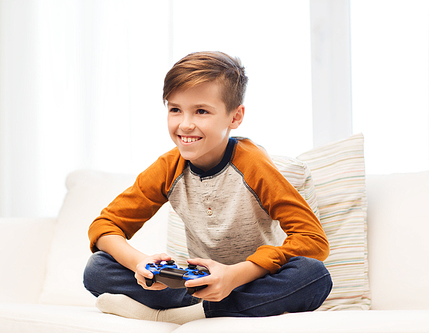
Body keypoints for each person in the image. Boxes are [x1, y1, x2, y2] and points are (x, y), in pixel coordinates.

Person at [83, 51, 332, 324]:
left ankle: (186, 315)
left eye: (201, 111)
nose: (185, 124)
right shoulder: (169, 167)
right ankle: (197, 308)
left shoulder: (253, 165)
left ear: (235, 117)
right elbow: (104, 226)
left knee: (314, 275)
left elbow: (313, 240)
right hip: (194, 287)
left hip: (249, 282)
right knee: (97, 268)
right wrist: (139, 263)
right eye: (175, 109)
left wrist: (235, 274)